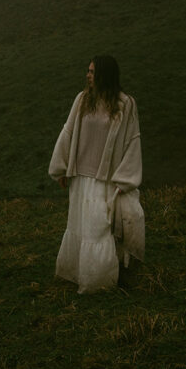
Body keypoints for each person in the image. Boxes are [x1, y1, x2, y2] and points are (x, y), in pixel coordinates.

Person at [48, 55, 144, 293]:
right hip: (80, 176)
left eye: (92, 72)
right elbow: (68, 132)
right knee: (81, 226)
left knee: (98, 228)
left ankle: (98, 282)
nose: (87, 75)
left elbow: (133, 142)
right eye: (88, 71)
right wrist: (61, 168)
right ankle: (79, 274)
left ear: (105, 75)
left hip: (106, 180)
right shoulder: (82, 100)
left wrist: (125, 180)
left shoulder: (125, 104)